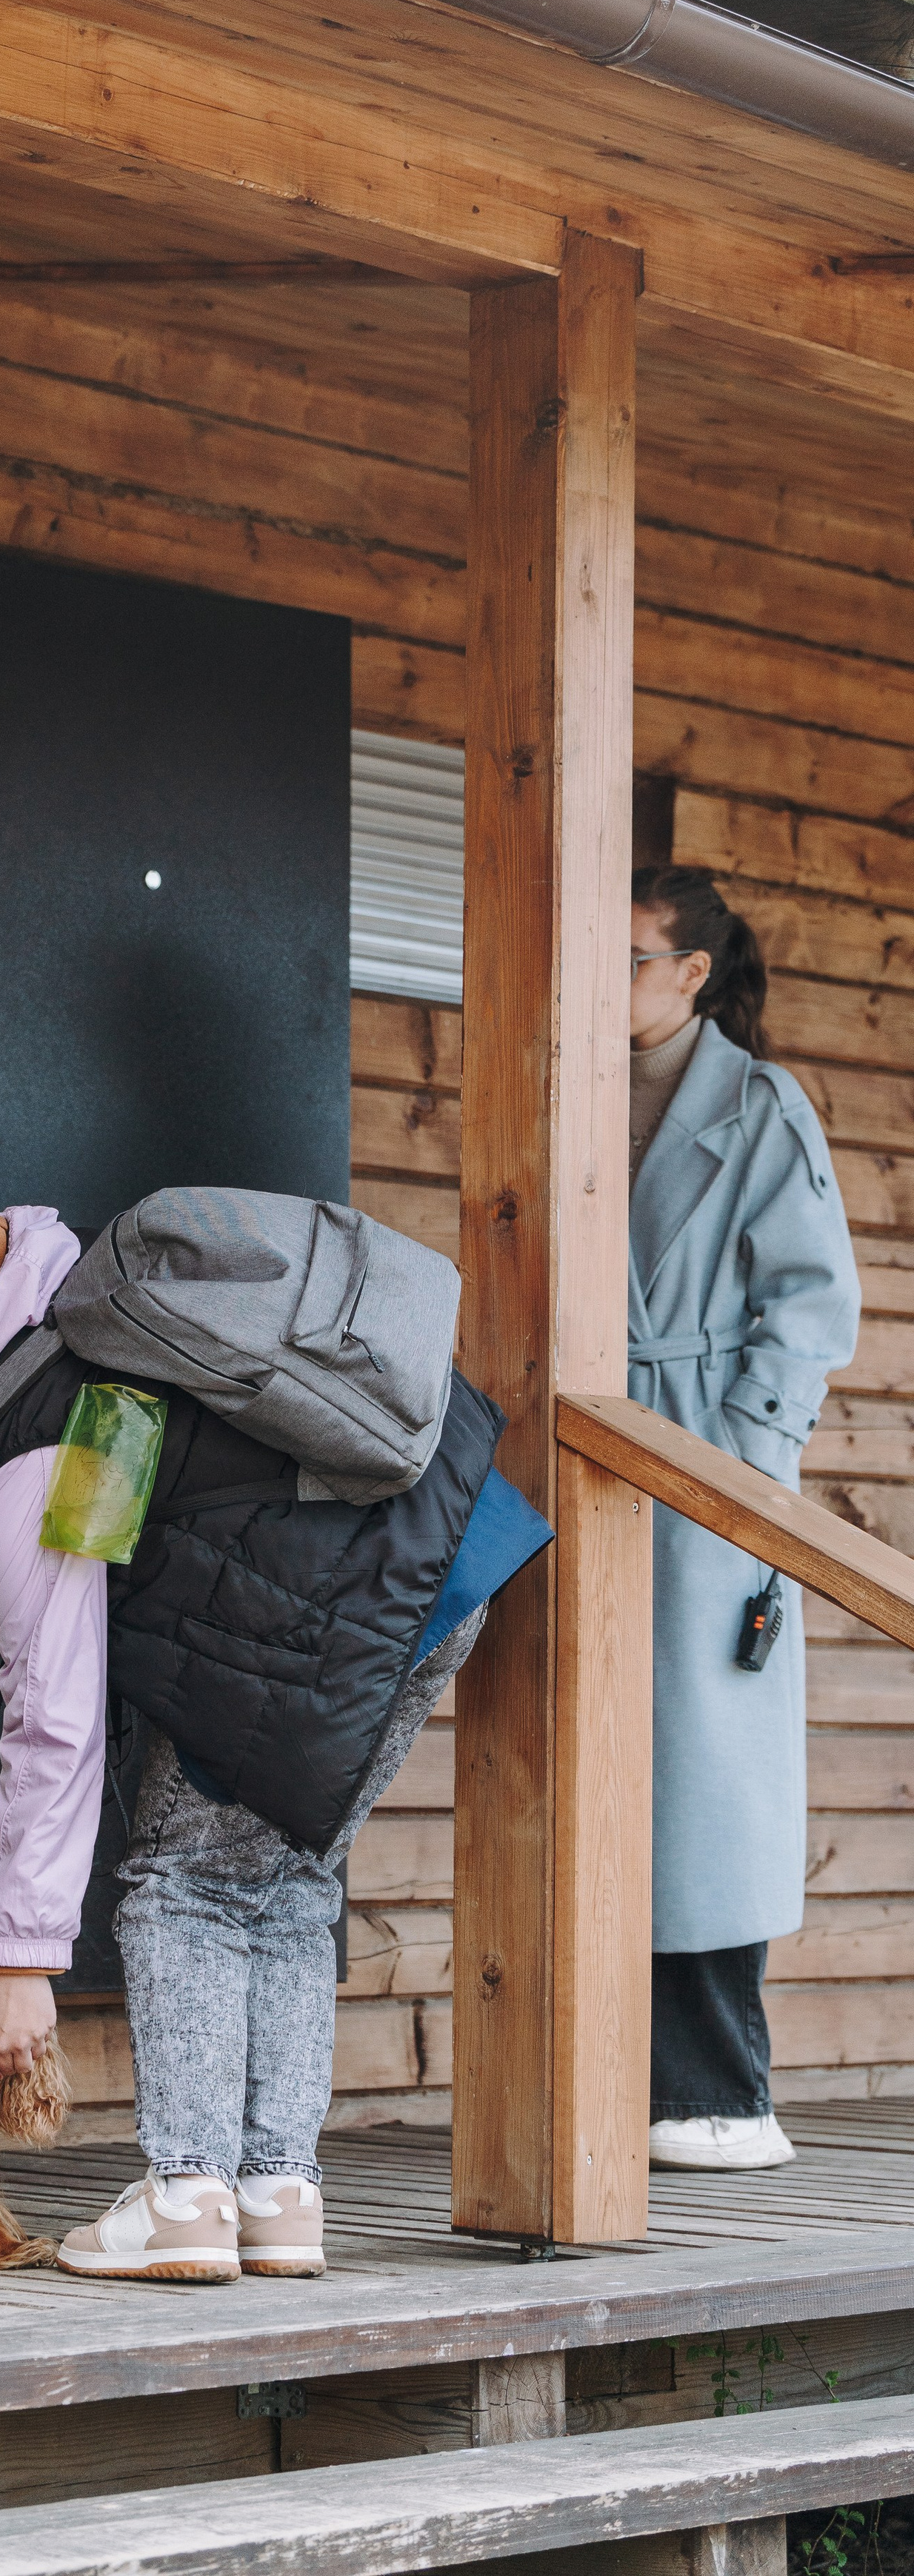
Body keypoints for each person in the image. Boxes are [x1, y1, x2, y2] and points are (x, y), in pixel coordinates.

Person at [0, 1198, 547, 2283]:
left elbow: (56, 1709)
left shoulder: (24, 1428)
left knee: (186, 1880)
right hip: (442, 1555)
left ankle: (188, 2194)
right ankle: (276, 2190)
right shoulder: (52, 1295)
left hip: (347, 1593)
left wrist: (23, 1957)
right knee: (286, 1869)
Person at [629, 868, 860, 2172]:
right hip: (590, 1455)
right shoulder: (577, 1090)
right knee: (596, 1763)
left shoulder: (760, 1104)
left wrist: (742, 1465)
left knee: (706, 1782)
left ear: (690, 973)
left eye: (628, 955)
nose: (601, 977)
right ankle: (615, 2079)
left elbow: (816, 1302)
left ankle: (721, 2093)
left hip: (704, 1467)